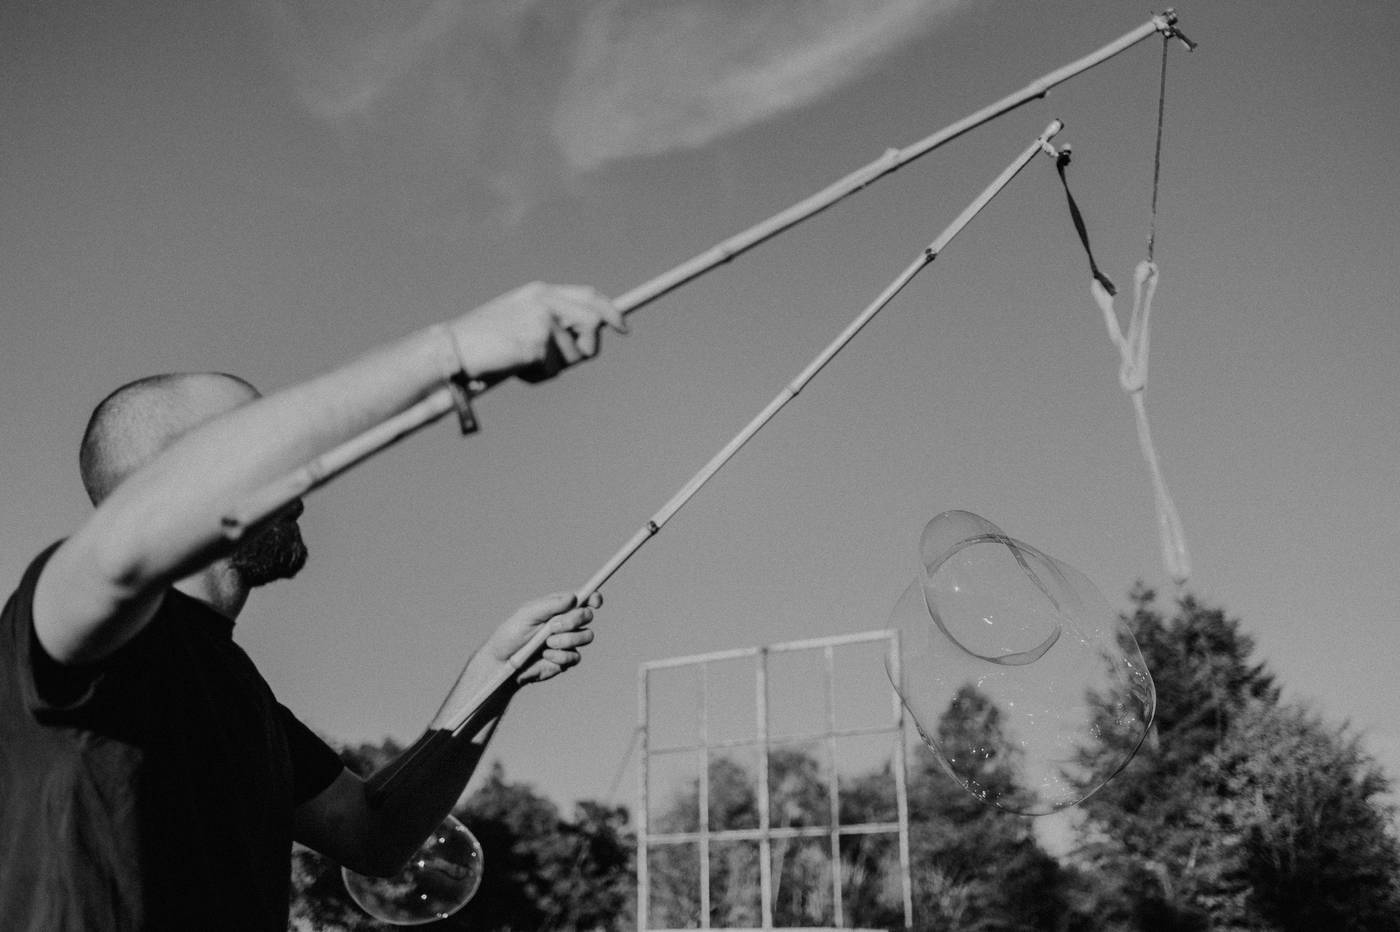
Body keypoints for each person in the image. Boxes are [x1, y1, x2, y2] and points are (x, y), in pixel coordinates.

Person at [0, 282, 627, 930]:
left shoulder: (235, 686)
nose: (302, 463)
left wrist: (497, 672)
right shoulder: (68, 618)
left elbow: (372, 833)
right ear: (166, 478)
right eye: (259, 439)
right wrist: (450, 350)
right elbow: (122, 552)